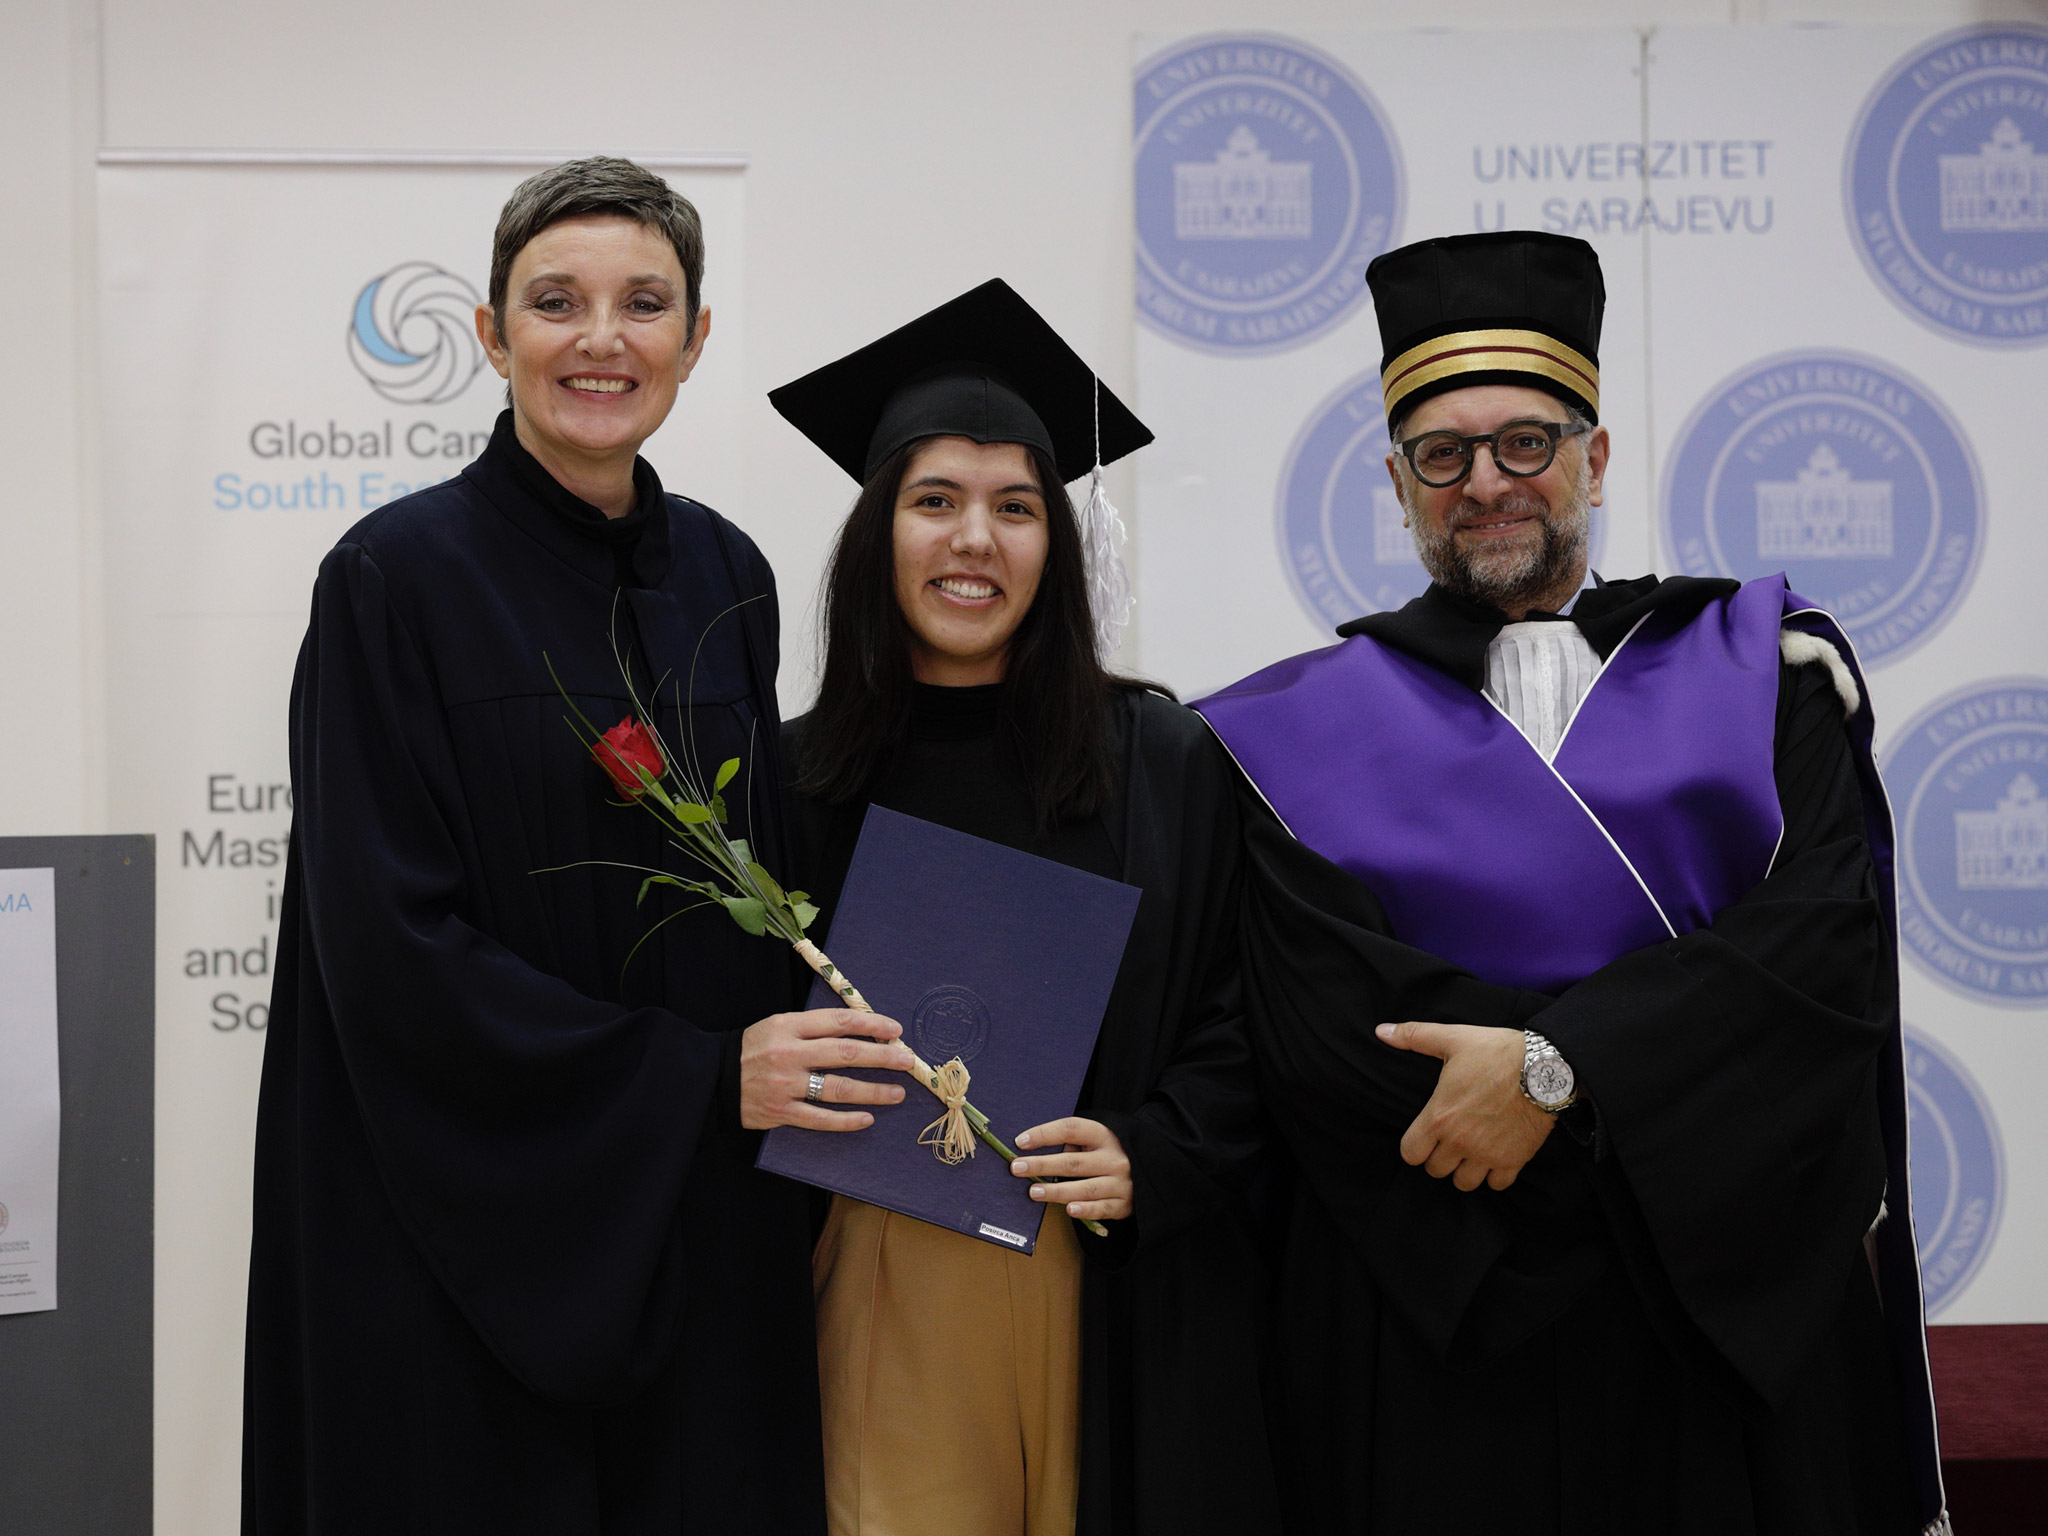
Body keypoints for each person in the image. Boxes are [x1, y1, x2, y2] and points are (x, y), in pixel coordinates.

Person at [1196, 231, 1949, 1536]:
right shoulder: (1283, 737)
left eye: (1524, 442)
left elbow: (1817, 950)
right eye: (1442, 455)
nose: (1486, 482)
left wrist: (1562, 1069)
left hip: (1723, 1316)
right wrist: (1606, 1116)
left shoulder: (1765, 673)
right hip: (1441, 1326)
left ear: (1593, 459)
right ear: (1397, 485)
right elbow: (1322, 1027)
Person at [242, 156, 917, 1534]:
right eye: (556, 303)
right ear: (491, 337)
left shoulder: (727, 575)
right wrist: (695, 1078)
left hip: (701, 1224)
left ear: (696, 338)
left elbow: (761, 880)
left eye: (643, 304)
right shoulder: (394, 579)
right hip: (467, 1238)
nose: (601, 340)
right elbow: (388, 946)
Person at [767, 279, 1281, 1536]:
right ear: (877, 531)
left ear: (1056, 543)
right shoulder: (792, 782)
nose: (974, 541)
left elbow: (1246, 1011)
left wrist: (1154, 1150)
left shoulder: (1158, 763)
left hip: (1104, 1284)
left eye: (1014, 508)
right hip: (872, 1283)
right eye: (933, 501)